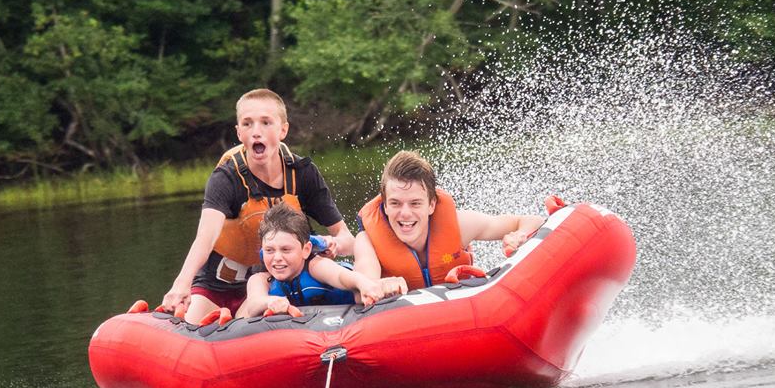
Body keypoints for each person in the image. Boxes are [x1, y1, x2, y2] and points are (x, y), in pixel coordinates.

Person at [161, 88, 355, 323]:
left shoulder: (303, 173)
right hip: (219, 286)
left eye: (265, 123)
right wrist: (182, 283)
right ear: (239, 132)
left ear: (283, 129)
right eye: (247, 124)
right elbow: (205, 238)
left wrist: (333, 243)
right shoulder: (226, 178)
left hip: (275, 285)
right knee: (191, 328)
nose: (256, 132)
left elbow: (347, 239)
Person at [354, 151, 545, 290]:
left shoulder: (460, 225)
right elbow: (364, 286)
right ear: (385, 206)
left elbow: (532, 221)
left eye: (415, 203)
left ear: (431, 205)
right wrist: (379, 286)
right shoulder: (367, 241)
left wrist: (520, 235)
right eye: (395, 203)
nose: (405, 213)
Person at [236, 204, 406, 317]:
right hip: (310, 326)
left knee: (364, 291)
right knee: (242, 313)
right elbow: (253, 304)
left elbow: (341, 277)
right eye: (269, 250)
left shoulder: (315, 265)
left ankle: (382, 282)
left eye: (286, 250)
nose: (277, 257)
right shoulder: (260, 280)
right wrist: (270, 301)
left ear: (306, 250)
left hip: (353, 299)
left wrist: (365, 284)